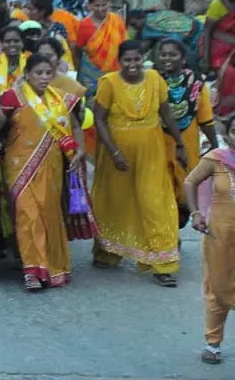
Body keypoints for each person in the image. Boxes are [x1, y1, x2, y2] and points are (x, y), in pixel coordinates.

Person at [91, 40, 183, 286]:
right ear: (119, 61)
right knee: (115, 201)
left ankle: (163, 264)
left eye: (137, 59)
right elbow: (99, 119)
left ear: (144, 59)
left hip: (151, 152)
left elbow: (166, 113)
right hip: (117, 154)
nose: (132, 64)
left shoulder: (155, 79)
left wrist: (180, 143)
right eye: (127, 60)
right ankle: (107, 252)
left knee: (156, 202)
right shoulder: (109, 83)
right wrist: (114, 153)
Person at [0, 54, 91, 290]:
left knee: (48, 215)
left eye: (48, 73)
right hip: (19, 167)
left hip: (52, 167)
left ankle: (50, 268)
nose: (43, 77)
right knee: (27, 215)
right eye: (38, 73)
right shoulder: (12, 97)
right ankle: (31, 271)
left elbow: (76, 126)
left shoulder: (61, 99)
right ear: (27, 74)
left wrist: (80, 149)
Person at [182, 132, 235, 365]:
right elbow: (190, 181)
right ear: (228, 135)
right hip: (221, 237)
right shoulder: (216, 159)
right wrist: (196, 214)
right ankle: (213, 344)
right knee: (218, 287)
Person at [157, 38, 219, 225]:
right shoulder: (153, 81)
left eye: (172, 54)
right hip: (158, 142)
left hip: (186, 144)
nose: (167, 58)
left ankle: (175, 227)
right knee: (162, 191)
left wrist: (215, 146)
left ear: (183, 59)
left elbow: (205, 118)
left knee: (184, 193)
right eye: (163, 54)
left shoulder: (196, 84)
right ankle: (169, 235)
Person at [74, 0, 126, 97]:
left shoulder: (117, 20)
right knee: (94, 99)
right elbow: (78, 49)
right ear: (90, 6)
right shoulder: (84, 25)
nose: (100, 9)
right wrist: (78, 69)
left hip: (115, 71)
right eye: (96, 5)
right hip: (92, 72)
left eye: (104, 5)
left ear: (109, 3)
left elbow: (124, 45)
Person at [205, 0, 235, 76]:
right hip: (219, 44)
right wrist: (206, 60)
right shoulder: (217, 5)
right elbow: (207, 31)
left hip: (232, 41)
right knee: (225, 71)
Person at [0, 24, 26, 93]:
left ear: (22, 43)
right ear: (1, 44)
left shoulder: (30, 62)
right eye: (7, 41)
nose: (12, 44)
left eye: (16, 41)